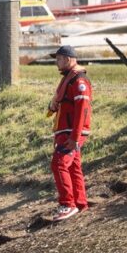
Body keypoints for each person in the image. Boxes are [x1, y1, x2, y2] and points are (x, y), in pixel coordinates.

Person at [46, 45, 92, 221]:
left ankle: (67, 204)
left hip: (72, 132)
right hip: (67, 131)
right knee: (73, 167)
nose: (56, 62)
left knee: (58, 164)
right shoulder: (69, 79)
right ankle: (80, 204)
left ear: (69, 59)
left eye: (59, 59)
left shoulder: (79, 81)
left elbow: (82, 110)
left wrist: (74, 137)